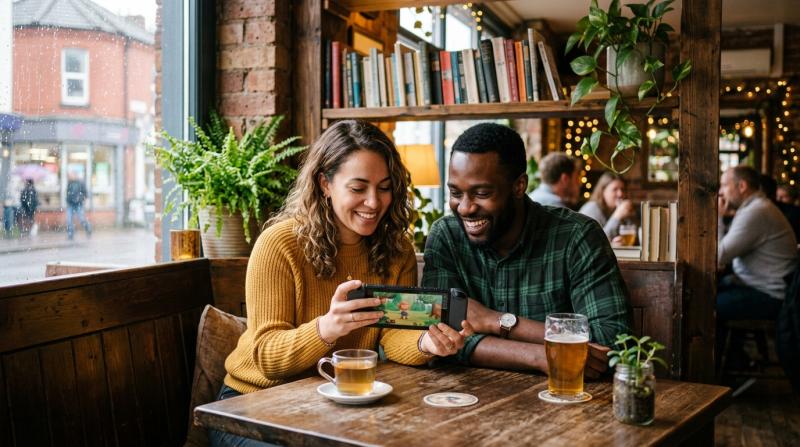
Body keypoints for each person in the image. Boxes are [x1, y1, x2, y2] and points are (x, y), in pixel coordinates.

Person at [212, 120, 473, 447]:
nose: (374, 202)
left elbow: (393, 335)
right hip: (250, 407)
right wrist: (326, 327)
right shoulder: (279, 245)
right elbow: (266, 357)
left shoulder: (397, 252)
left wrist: (426, 344)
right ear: (325, 183)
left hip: (336, 403)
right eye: (358, 187)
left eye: (384, 187)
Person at [422, 122, 631, 379]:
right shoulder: (446, 236)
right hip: (463, 400)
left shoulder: (577, 237)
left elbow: (613, 346)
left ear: (519, 186)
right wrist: (543, 356)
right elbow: (442, 339)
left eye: (482, 193)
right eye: (455, 193)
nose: (465, 208)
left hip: (567, 404)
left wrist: (495, 320)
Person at [718, 166, 796, 324]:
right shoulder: (756, 207)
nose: (720, 192)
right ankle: (732, 348)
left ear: (742, 186)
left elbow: (719, 255)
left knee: (705, 305)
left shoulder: (756, 211)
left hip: (770, 295)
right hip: (758, 285)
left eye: (725, 185)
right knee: (706, 292)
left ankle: (727, 349)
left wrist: (718, 218)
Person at [578, 172, 636, 242]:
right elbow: (596, 241)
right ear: (603, 191)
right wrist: (617, 216)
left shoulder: (616, 209)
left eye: (622, 189)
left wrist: (629, 216)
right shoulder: (592, 208)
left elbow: (633, 237)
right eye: (615, 189)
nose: (620, 194)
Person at [759, 173, 800, 241]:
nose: (779, 199)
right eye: (778, 196)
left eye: (783, 197)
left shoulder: (795, 214)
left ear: (793, 198)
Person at [65, 173, 91, 240]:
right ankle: (70, 234)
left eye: (72, 175)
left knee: (82, 219)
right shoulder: (69, 183)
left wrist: (81, 199)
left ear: (76, 176)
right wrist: (68, 200)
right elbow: (68, 193)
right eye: (70, 176)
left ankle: (87, 228)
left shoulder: (81, 183)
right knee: (69, 220)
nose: (71, 176)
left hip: (79, 204)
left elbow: (85, 193)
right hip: (70, 204)